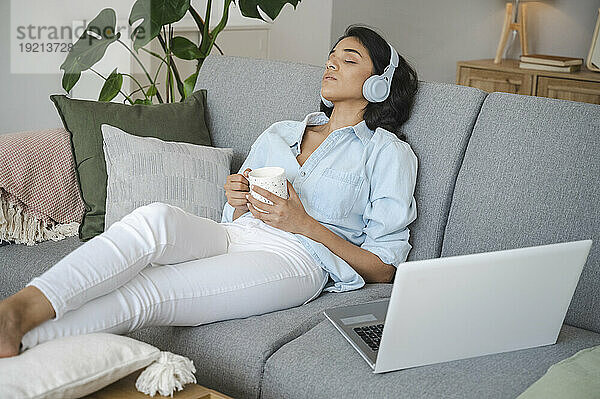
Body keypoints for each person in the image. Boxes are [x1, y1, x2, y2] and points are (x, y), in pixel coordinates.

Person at [0, 24, 419, 358]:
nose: (331, 64)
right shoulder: (281, 133)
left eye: (349, 59)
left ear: (380, 82)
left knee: (154, 291)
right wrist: (238, 202)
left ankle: (18, 336)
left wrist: (304, 224)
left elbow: (385, 267)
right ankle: (19, 307)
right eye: (331, 56)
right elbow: (231, 216)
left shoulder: (387, 153)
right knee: (155, 219)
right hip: (236, 235)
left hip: (297, 259)